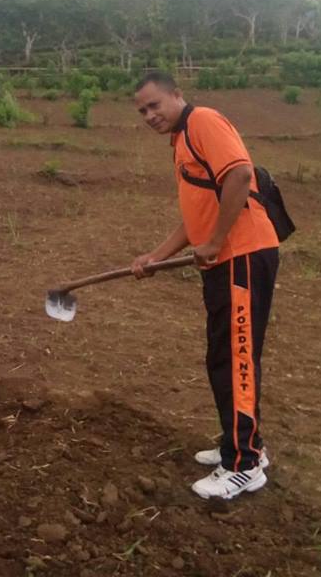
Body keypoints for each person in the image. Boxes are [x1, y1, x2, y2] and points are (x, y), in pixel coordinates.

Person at [130, 70, 279, 500]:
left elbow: (239, 175)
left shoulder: (203, 122)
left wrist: (215, 241)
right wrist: (155, 255)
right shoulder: (181, 141)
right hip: (224, 260)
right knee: (225, 355)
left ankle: (244, 465)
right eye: (142, 111)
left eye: (155, 105)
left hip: (242, 256)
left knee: (235, 358)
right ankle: (245, 445)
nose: (149, 115)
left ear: (178, 95)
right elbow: (196, 214)